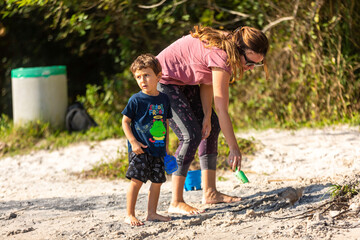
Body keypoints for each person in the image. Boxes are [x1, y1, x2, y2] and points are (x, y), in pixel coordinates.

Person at [156, 25, 269, 214]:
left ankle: (209, 192)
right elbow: (222, 108)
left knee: (212, 125)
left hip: (183, 81)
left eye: (256, 64)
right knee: (190, 135)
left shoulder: (231, 43)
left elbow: (207, 80)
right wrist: (234, 149)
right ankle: (175, 201)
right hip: (163, 81)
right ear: (241, 51)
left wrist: (207, 115)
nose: (250, 68)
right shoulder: (222, 55)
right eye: (250, 62)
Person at [122, 53, 173, 226]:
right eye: (138, 77)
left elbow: (165, 122)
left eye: (146, 75)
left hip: (158, 148)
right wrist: (133, 142)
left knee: (157, 181)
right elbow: (125, 122)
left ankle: (152, 213)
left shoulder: (164, 99)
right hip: (140, 149)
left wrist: (166, 148)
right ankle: (130, 214)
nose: (142, 80)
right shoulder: (136, 99)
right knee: (137, 181)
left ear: (158, 76)